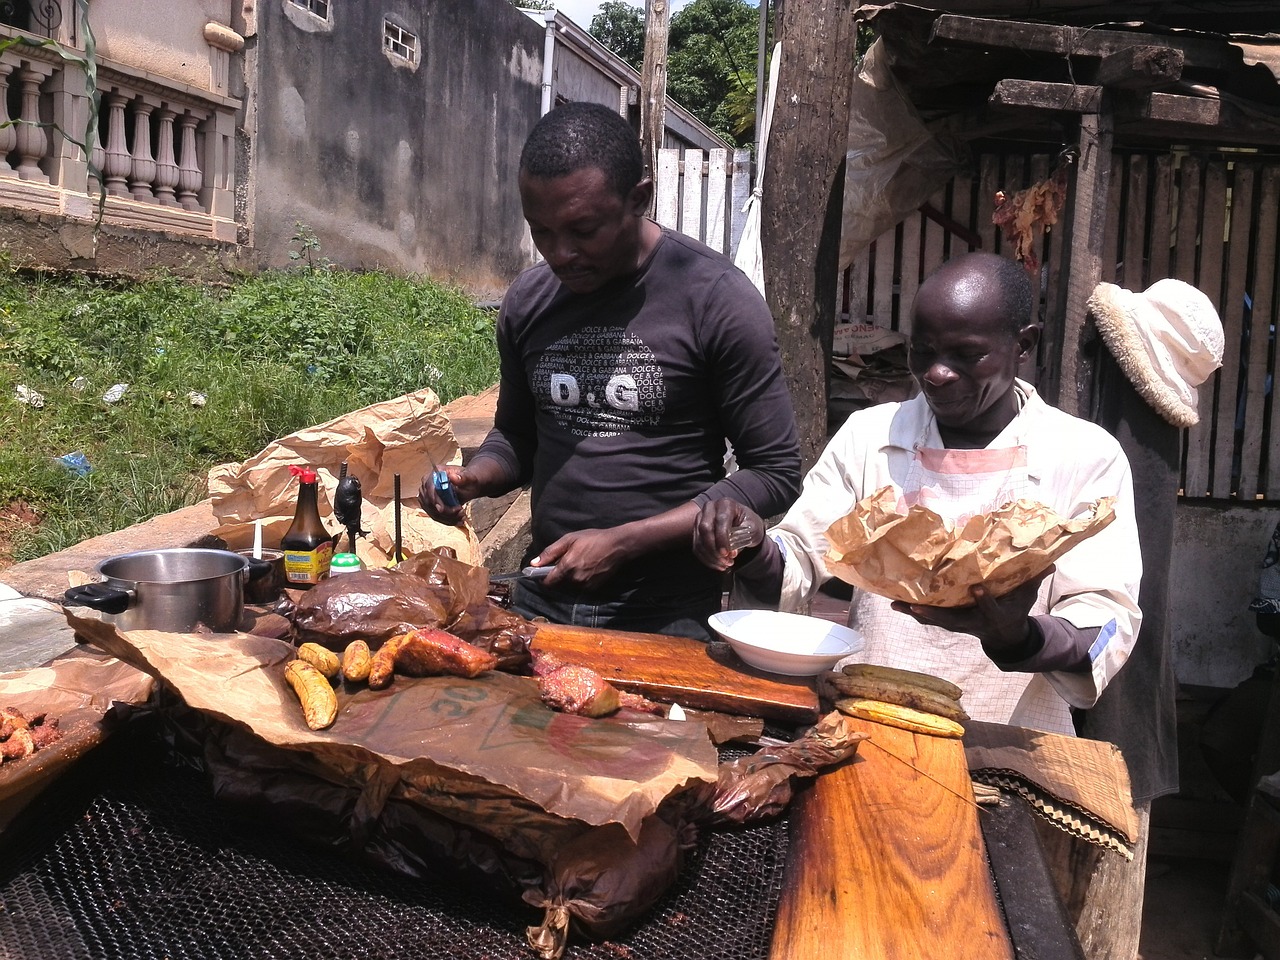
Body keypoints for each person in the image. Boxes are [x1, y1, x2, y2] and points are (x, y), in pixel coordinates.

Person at [694, 251, 1141, 736]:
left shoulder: (1083, 454)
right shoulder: (870, 437)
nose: (936, 374)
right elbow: (800, 558)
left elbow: (1106, 621)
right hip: (865, 725)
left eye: (966, 355)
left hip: (1009, 740)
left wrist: (1017, 637)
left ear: (1023, 346)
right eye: (922, 352)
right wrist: (752, 545)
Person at [420, 100, 801, 640]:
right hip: (542, 594)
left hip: (667, 614)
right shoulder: (530, 302)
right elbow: (516, 436)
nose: (560, 253)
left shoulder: (716, 299)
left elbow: (775, 471)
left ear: (639, 199)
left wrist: (624, 542)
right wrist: (474, 478)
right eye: (541, 231)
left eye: (584, 229)